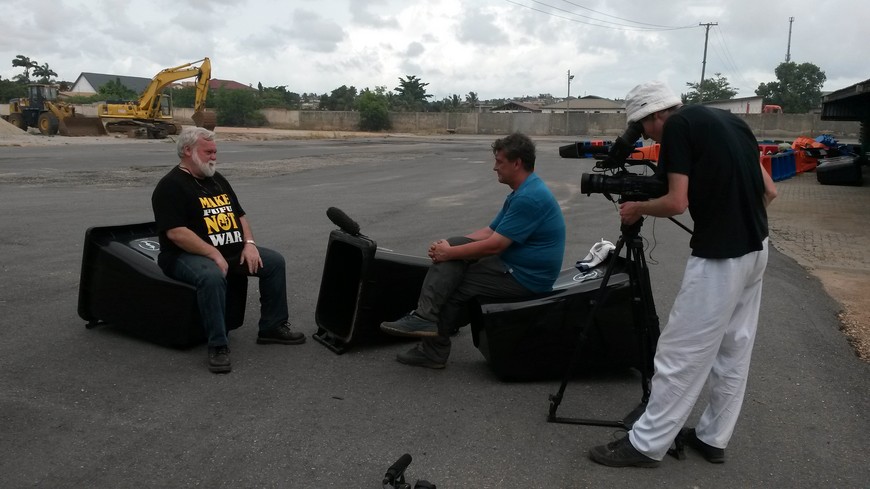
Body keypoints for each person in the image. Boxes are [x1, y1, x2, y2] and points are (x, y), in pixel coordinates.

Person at [589, 81, 778, 467]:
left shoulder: (677, 127)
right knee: (733, 350)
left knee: (679, 352)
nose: (648, 136)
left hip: (720, 257)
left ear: (655, 115)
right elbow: (769, 191)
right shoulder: (731, 122)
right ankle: (713, 437)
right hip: (757, 248)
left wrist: (638, 208)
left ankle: (644, 445)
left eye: (645, 128)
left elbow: (677, 202)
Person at [379, 132, 566, 369]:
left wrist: (450, 254)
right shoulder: (524, 191)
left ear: (517, 163)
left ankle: (432, 347)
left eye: (500, 162)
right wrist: (448, 245)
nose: (494, 168)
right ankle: (424, 319)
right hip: (513, 266)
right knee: (456, 244)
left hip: (526, 277)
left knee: (455, 284)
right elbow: (490, 232)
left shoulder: (530, 197)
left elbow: (495, 245)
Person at [151, 127, 305, 374]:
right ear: (188, 151)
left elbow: (240, 215)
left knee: (274, 262)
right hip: (184, 256)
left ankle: (272, 327)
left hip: (230, 251)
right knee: (211, 276)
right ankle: (218, 345)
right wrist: (213, 254)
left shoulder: (217, 180)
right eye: (208, 151)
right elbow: (176, 232)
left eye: (215, 152)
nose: (214, 156)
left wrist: (250, 245)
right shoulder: (170, 186)